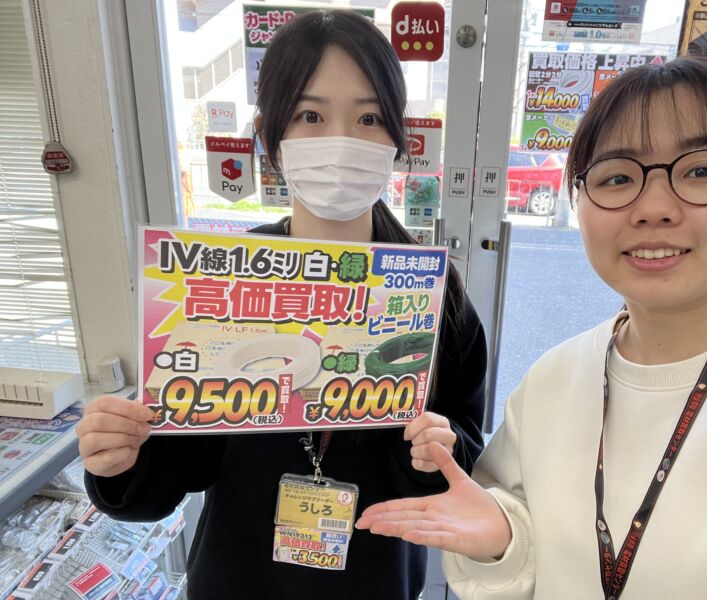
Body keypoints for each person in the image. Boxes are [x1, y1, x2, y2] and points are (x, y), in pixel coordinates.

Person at [77, 11, 486, 600]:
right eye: (310, 115)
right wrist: (120, 461)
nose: (341, 140)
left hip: (372, 583)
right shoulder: (222, 281)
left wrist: (438, 452)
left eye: (369, 117)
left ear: (398, 139)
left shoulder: (436, 296)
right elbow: (176, 466)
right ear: (270, 135)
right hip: (235, 580)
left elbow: (465, 455)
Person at [357, 56, 707, 599]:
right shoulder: (553, 379)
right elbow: (515, 551)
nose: (654, 207)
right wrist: (504, 543)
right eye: (618, 177)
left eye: (703, 171)